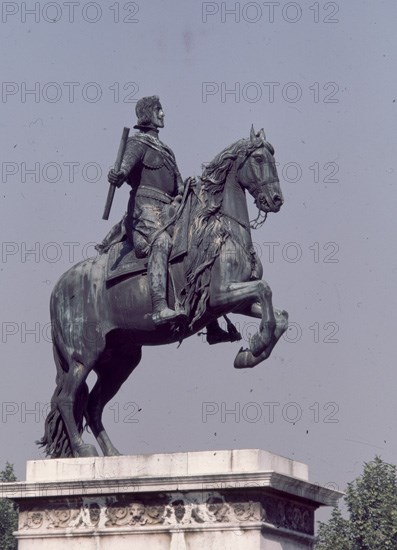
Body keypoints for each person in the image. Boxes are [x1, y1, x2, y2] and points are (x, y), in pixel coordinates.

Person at [107, 95, 185, 325]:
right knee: (161, 243)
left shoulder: (167, 151)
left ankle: (211, 323)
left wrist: (186, 191)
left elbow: (179, 185)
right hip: (144, 212)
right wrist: (117, 175)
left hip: (168, 211)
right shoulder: (138, 143)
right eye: (158, 109)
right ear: (147, 114)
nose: (163, 114)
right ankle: (160, 307)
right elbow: (123, 171)